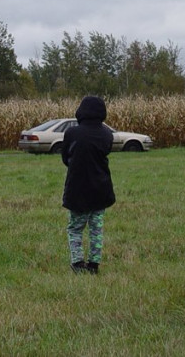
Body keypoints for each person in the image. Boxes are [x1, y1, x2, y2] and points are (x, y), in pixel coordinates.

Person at [61, 96, 116, 275]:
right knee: (96, 229)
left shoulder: (71, 133)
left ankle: (77, 263)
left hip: (77, 189)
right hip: (100, 189)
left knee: (75, 228)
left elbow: (65, 158)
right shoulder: (107, 134)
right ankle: (94, 265)